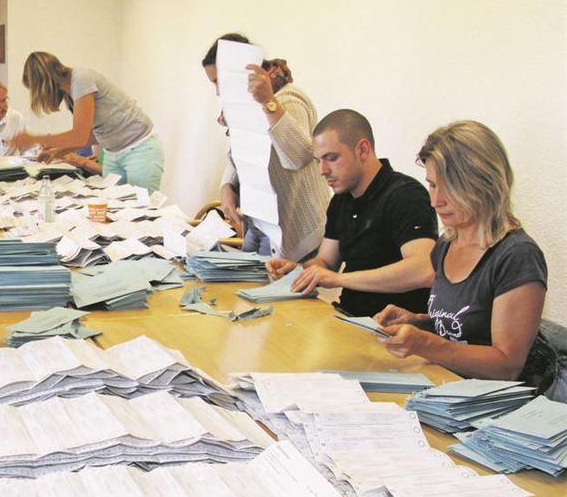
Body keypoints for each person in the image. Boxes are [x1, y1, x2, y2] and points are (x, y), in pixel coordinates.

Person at [375, 121, 557, 392]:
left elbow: (507, 365)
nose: (436, 200)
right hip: (448, 389)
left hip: (500, 407)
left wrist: (425, 344)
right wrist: (419, 322)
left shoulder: (517, 256)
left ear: (482, 183)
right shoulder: (447, 244)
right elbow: (465, 327)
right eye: (432, 185)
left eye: (447, 187)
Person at [266, 110, 437, 317]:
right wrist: (299, 271)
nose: (323, 170)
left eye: (331, 158)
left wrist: (339, 279)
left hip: (392, 328)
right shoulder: (341, 200)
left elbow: (423, 269)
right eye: (318, 160)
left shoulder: (406, 195)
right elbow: (326, 261)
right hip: (349, 317)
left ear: (363, 150)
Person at [202, 33, 329, 260]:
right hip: (260, 220)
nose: (218, 91)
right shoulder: (243, 106)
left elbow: (298, 156)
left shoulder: (289, 100)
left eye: (217, 81)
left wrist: (268, 103)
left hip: (295, 226)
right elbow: (240, 151)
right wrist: (226, 185)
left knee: (278, 294)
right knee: (245, 290)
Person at [9, 51, 164, 192]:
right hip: (113, 153)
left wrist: (33, 138)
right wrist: (58, 152)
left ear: (45, 81)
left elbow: (79, 135)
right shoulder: (70, 93)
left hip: (139, 148)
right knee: (115, 207)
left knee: (143, 209)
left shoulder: (82, 79)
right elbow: (91, 136)